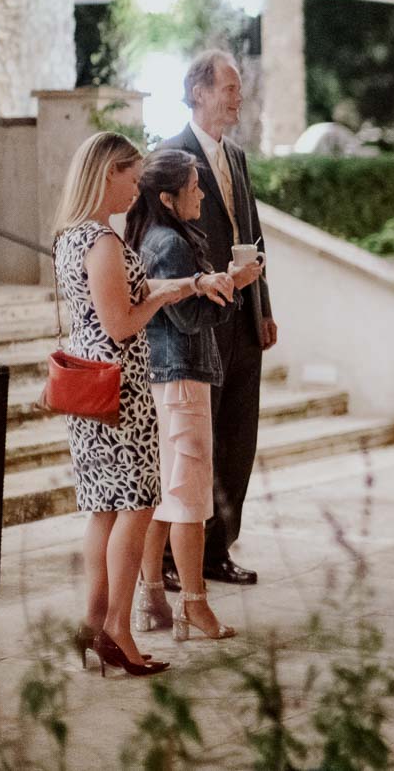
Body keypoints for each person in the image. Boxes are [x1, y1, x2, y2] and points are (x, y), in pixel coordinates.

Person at [52, 133, 212, 677]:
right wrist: (162, 299)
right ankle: (117, 629)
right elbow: (120, 324)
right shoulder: (102, 242)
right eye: (131, 175)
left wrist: (180, 285)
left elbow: (111, 306)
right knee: (138, 505)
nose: (138, 185)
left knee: (104, 509)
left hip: (89, 389)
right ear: (105, 176)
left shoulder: (72, 238)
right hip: (118, 391)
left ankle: (94, 622)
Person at [126, 150, 261, 642]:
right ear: (168, 197)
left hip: (166, 375)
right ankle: (194, 605)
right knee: (188, 495)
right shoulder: (170, 243)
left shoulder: (151, 235)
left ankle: (154, 600)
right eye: (193, 187)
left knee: (165, 493)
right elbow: (188, 318)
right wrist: (232, 292)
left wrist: (222, 284)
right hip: (181, 377)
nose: (201, 194)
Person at [157, 49, 275, 588]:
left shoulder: (237, 159)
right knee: (195, 451)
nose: (238, 96)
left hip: (243, 323)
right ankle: (173, 561)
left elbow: (254, 238)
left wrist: (263, 308)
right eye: (229, 87)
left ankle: (218, 550)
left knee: (237, 441)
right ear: (200, 91)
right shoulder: (171, 156)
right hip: (199, 323)